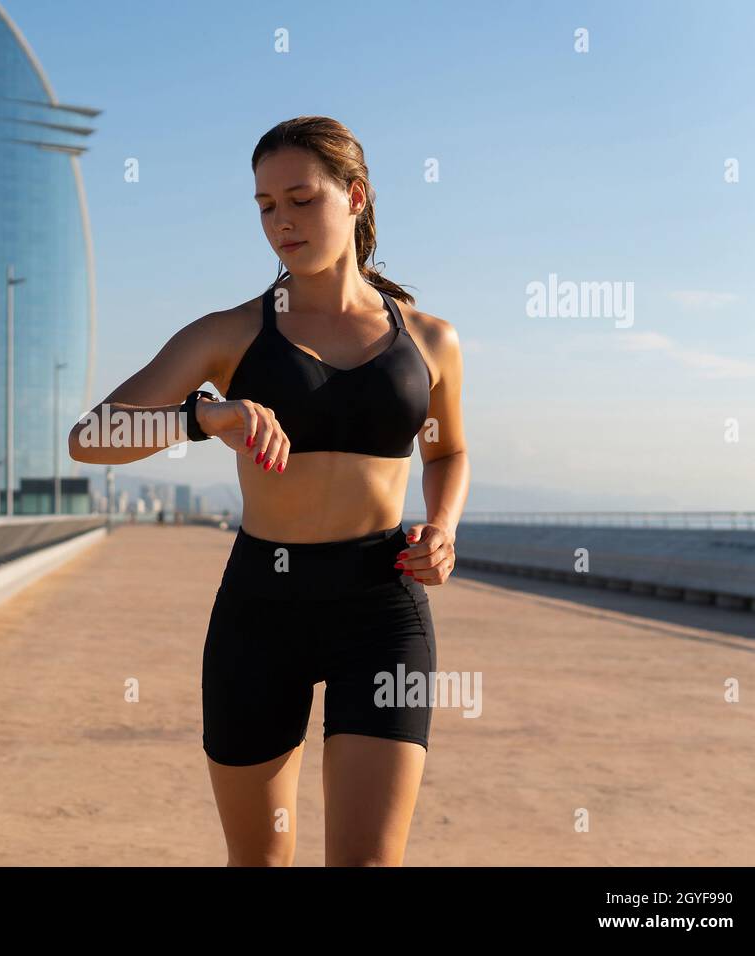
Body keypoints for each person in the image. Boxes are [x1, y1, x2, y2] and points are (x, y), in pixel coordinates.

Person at [69, 116, 469, 866]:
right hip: (262, 609)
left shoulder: (431, 340)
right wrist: (203, 416)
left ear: (355, 197)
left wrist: (443, 526)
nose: (280, 222)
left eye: (300, 199)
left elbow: (448, 452)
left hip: (381, 607)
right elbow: (91, 437)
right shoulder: (231, 334)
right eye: (264, 206)